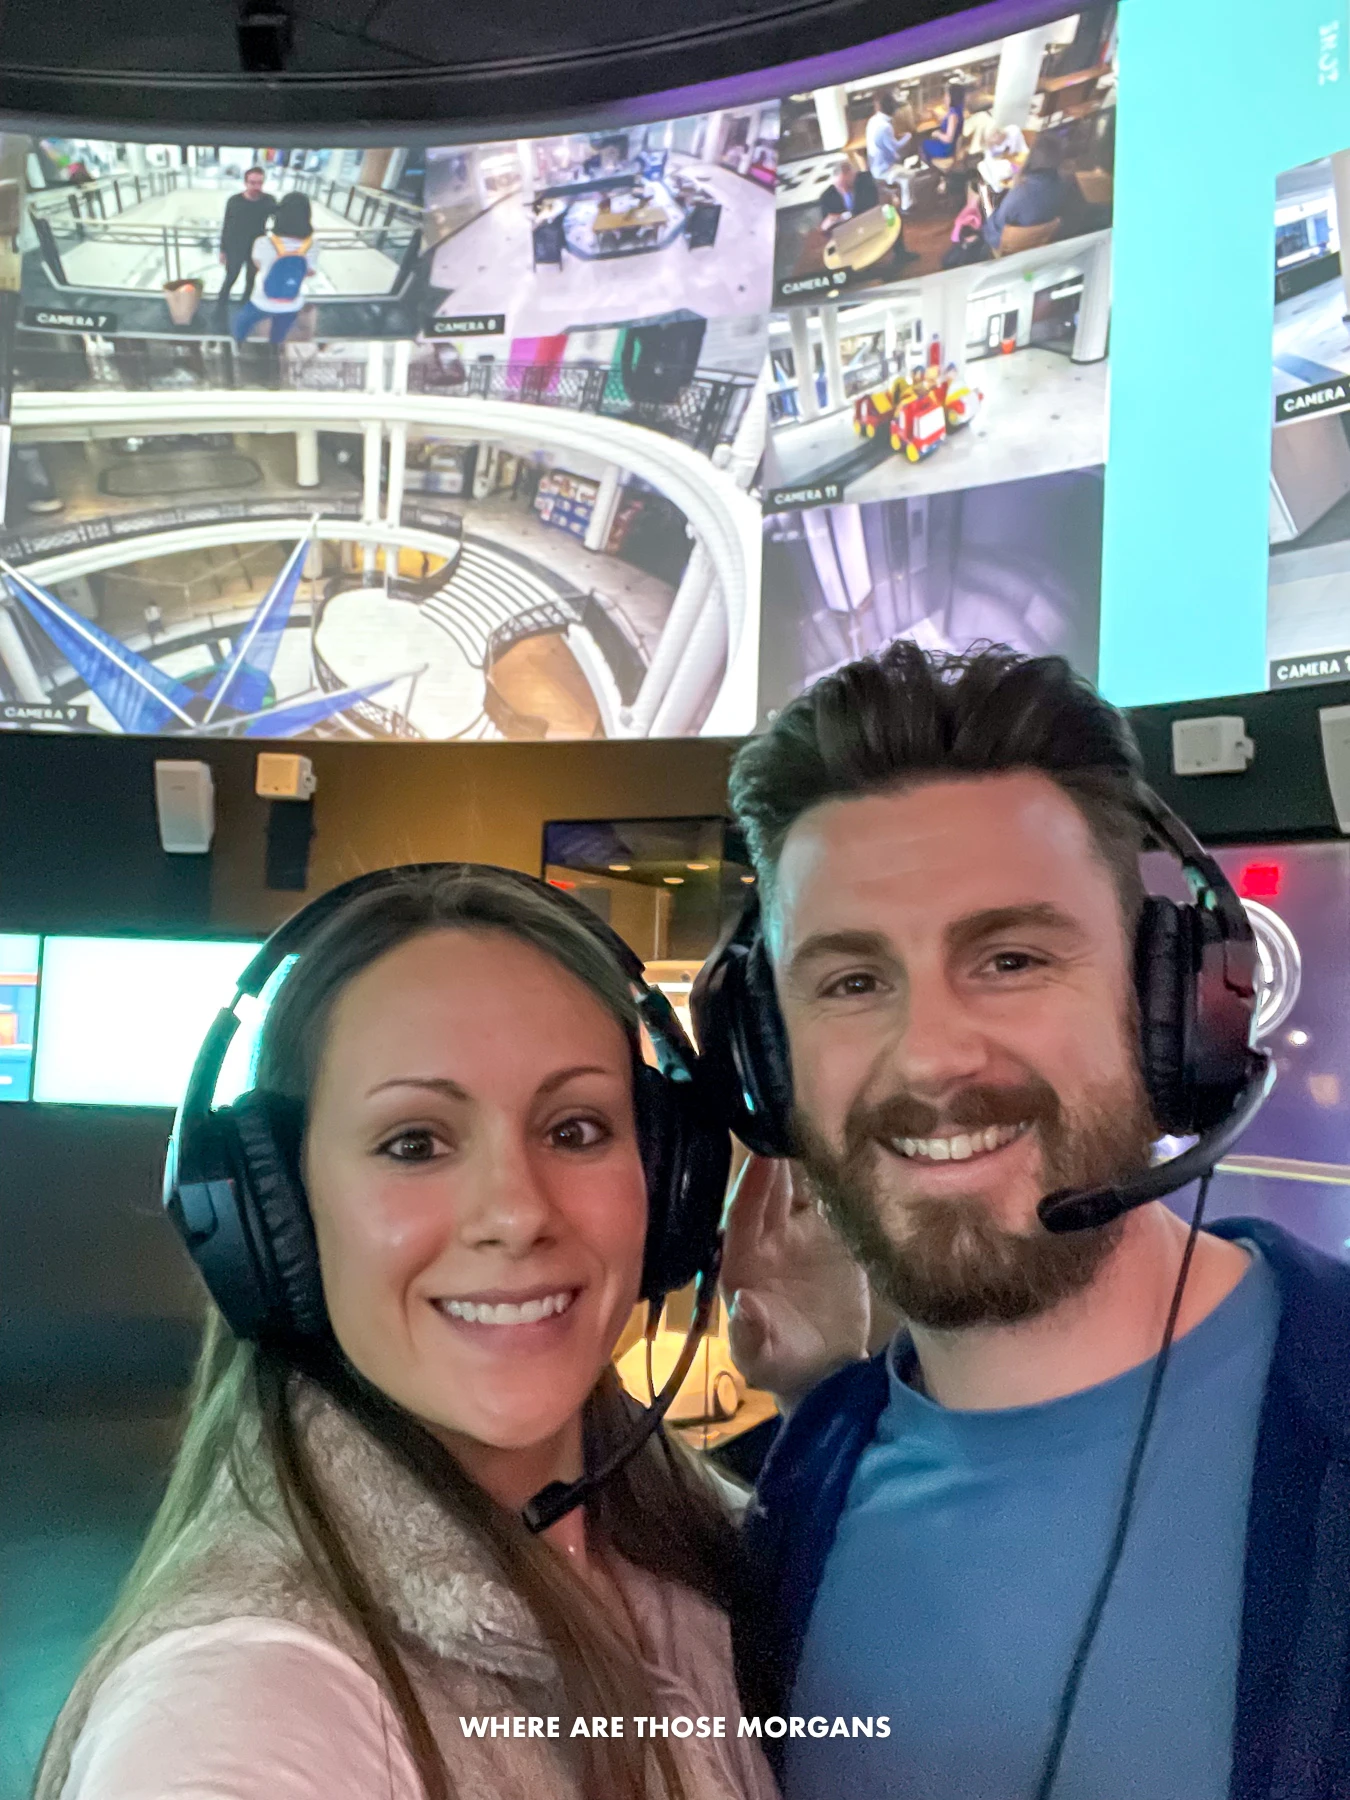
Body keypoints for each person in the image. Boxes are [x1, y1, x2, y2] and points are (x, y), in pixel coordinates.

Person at [717, 643, 1350, 1800]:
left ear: (1169, 1004)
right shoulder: (800, 1488)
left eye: (1009, 958)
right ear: (770, 1057)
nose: (934, 1056)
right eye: (852, 982)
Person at [37, 867, 776, 1800]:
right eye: (414, 1143)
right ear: (281, 1216)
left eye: (577, 1128)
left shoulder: (680, 1525)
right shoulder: (244, 1703)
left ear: (671, 1179)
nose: (515, 1213)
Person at [230, 191, 318, 347]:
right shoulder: (313, 245)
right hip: (292, 301)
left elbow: (258, 265)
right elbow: (309, 272)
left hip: (262, 300)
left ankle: (238, 344)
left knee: (242, 321)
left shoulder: (263, 242)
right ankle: (273, 349)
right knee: (280, 330)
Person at [983, 131, 1071, 252]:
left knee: (984, 196)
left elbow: (998, 224)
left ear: (1032, 156)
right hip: (1040, 239)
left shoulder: (1020, 193)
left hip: (1009, 244)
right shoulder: (1064, 183)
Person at [215, 166, 276, 329]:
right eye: (252, 183)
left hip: (256, 249)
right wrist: (222, 249)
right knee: (230, 277)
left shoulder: (268, 200)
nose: (256, 187)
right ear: (245, 183)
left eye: (259, 183)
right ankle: (220, 307)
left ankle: (244, 308)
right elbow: (226, 225)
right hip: (235, 247)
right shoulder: (234, 201)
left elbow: (280, 221)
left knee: (251, 280)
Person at [864, 93, 912, 185]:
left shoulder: (873, 120)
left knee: (901, 160)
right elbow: (896, 147)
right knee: (911, 176)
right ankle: (906, 198)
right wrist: (908, 136)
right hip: (884, 169)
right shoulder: (885, 127)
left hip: (875, 166)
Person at [818, 158, 878, 228]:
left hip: (871, 223)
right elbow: (826, 227)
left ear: (854, 175)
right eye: (840, 186)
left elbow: (875, 204)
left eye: (846, 184)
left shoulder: (867, 180)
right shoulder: (826, 198)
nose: (844, 190)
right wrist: (828, 223)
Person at [920, 81, 966, 170]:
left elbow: (948, 139)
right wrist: (934, 113)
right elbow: (946, 120)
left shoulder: (953, 115)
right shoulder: (957, 110)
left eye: (947, 95)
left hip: (947, 149)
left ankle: (932, 170)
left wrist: (937, 134)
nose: (945, 98)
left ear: (952, 97)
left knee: (922, 144)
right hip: (952, 146)